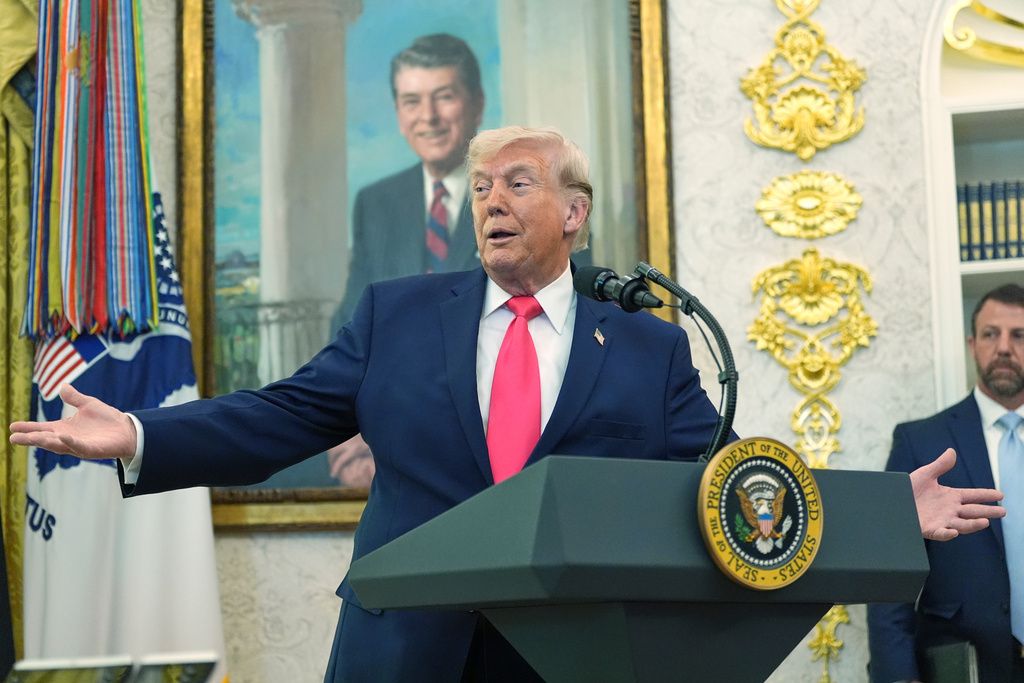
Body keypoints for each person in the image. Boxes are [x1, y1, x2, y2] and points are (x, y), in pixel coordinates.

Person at [9, 127, 1004, 683]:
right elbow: (281, 413)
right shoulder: (398, 315)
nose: (488, 197)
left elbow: (726, 485)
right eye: (481, 183)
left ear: (572, 211)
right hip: (401, 651)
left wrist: (883, 516)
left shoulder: (650, 343)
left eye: (516, 181)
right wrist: (138, 430)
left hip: (569, 657)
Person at [867, 283, 1024, 683]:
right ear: (972, 344)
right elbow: (889, 581)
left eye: (1019, 335)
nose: (1004, 347)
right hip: (963, 666)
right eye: (991, 334)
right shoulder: (921, 443)